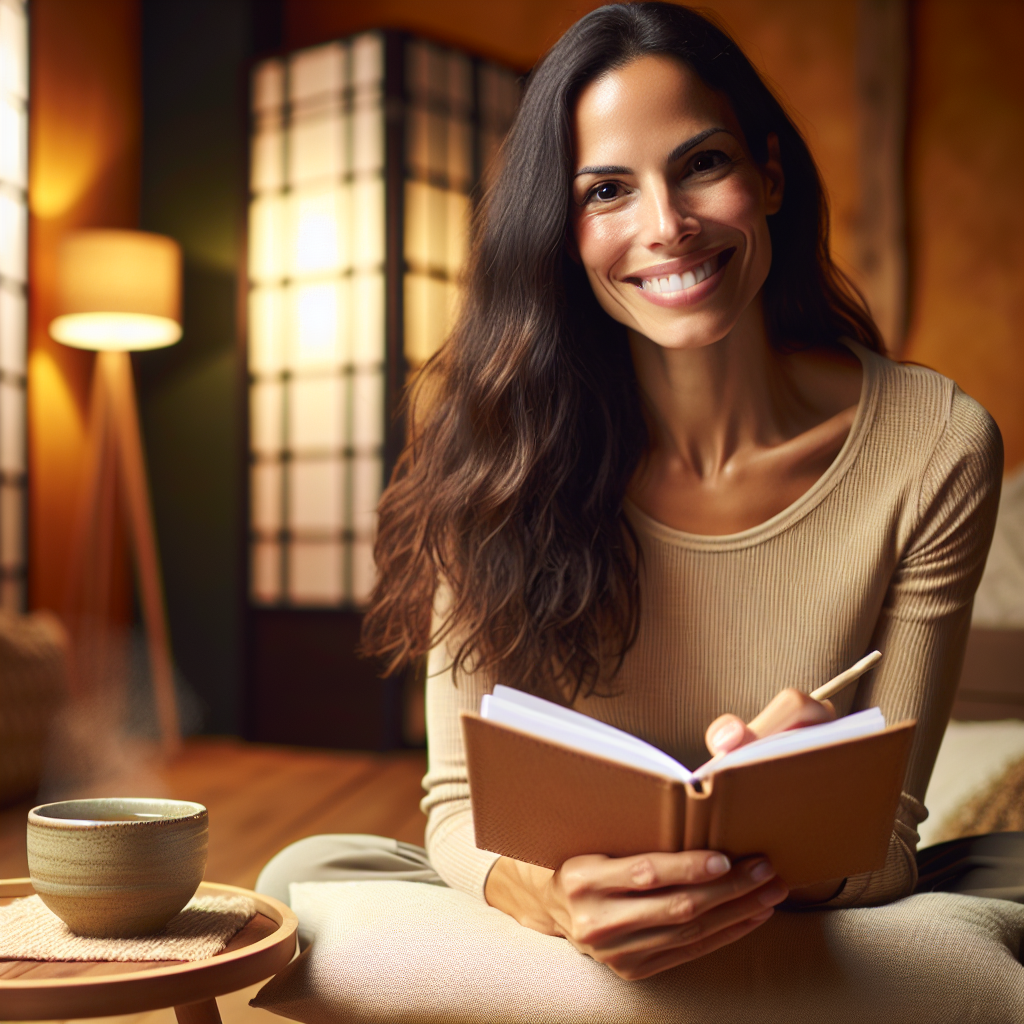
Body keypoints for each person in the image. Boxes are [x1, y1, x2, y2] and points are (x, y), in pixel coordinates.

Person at [257, 2, 1004, 982]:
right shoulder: (493, 450)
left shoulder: (935, 442)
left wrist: (794, 816)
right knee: (304, 872)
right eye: (606, 190)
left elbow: (887, 846)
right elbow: (455, 810)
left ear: (768, 173)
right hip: (593, 913)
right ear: (561, 233)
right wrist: (562, 897)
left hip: (804, 900)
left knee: (999, 884)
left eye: (701, 164)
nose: (666, 227)